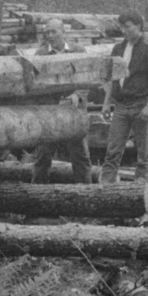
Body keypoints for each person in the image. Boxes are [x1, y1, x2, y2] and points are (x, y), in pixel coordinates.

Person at [99, 12, 148, 184]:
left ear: (138, 26)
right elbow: (112, 78)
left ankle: (139, 193)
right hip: (121, 106)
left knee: (143, 155)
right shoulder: (118, 49)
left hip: (141, 104)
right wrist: (106, 103)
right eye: (121, 27)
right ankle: (104, 191)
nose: (124, 31)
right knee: (112, 151)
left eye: (127, 27)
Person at [31, 19, 92, 184]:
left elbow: (88, 77)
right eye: (47, 32)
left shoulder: (78, 51)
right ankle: (37, 193)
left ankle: (86, 192)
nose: (50, 36)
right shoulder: (41, 55)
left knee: (80, 155)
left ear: (63, 32)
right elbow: (36, 84)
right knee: (43, 154)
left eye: (54, 32)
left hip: (74, 111)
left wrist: (78, 94)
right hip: (50, 112)